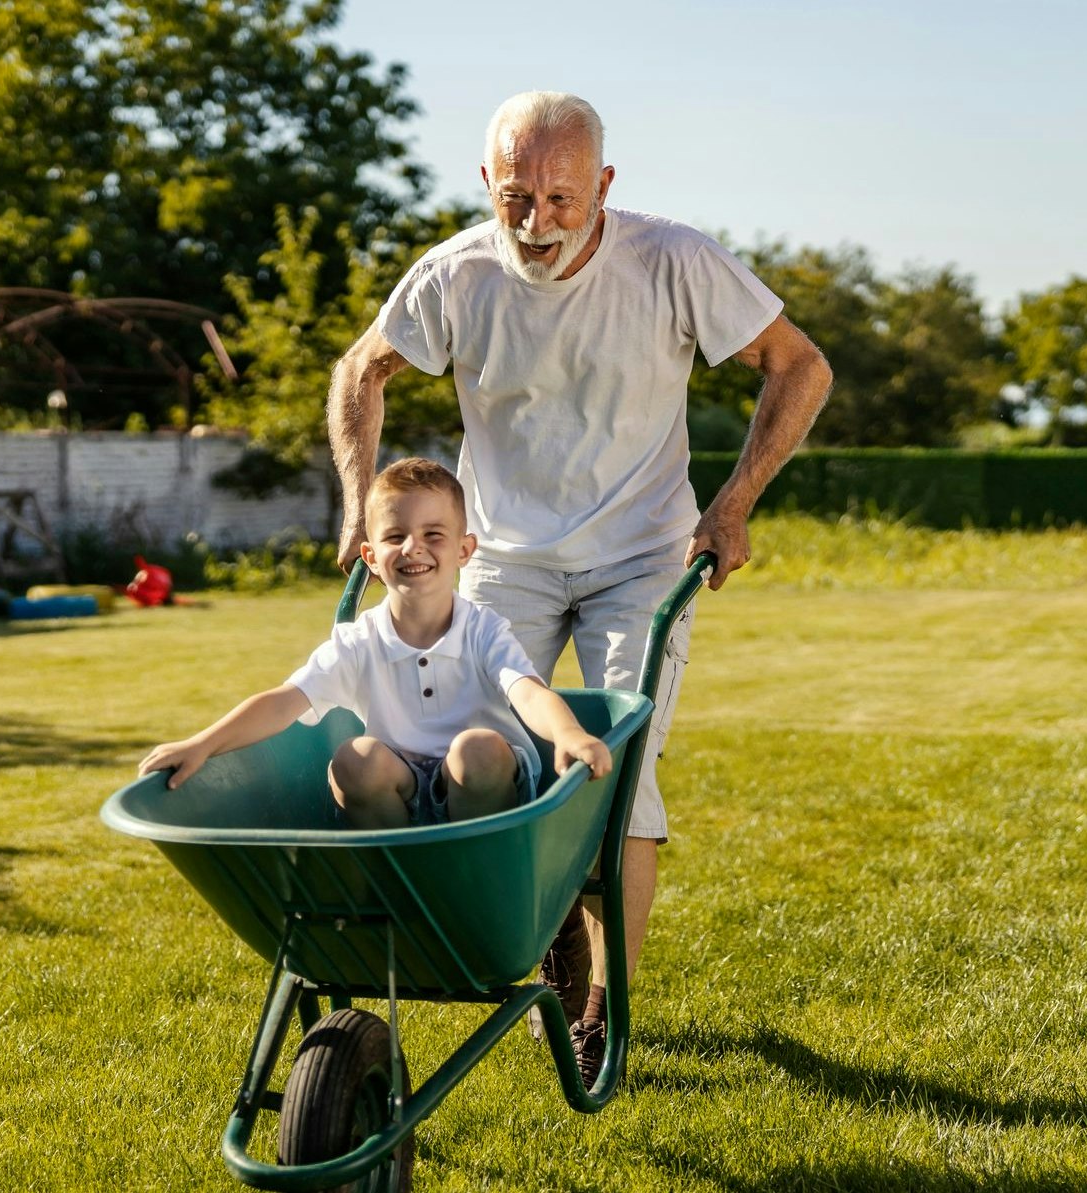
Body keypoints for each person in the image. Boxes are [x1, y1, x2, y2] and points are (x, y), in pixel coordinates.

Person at [325, 91, 834, 1079]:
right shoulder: (458, 274)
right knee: (470, 751)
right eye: (515, 197)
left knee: (617, 771)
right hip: (502, 557)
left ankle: (604, 1009)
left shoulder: (671, 260)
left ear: (603, 185)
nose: (537, 222)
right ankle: (551, 922)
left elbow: (797, 365)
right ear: (487, 182)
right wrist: (356, 506)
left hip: (640, 556)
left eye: (561, 199)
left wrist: (732, 503)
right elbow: (361, 371)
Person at [138, 457, 614, 829]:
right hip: (400, 790)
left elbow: (529, 693)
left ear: (464, 550)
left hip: (486, 788)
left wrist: (569, 734)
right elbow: (284, 702)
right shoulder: (358, 641)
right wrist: (202, 744)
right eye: (395, 536)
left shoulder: (482, 630)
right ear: (370, 556)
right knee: (354, 758)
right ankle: (405, 878)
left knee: (476, 749)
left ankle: (475, 873)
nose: (413, 547)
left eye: (433, 534)